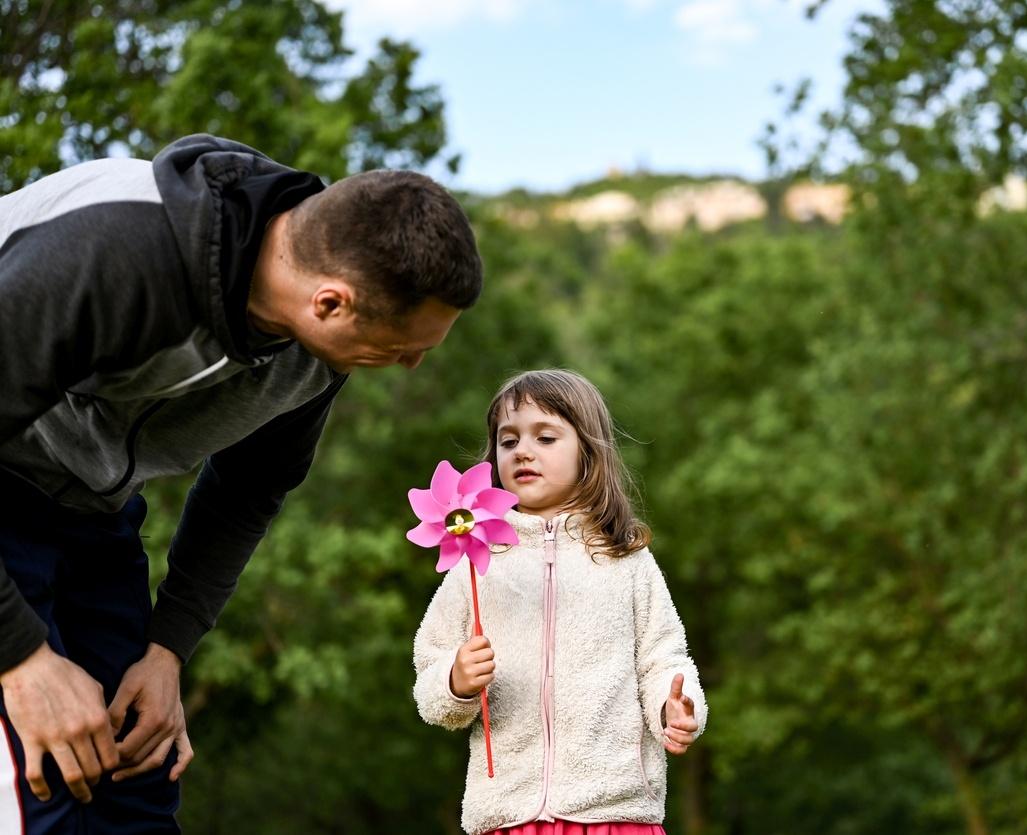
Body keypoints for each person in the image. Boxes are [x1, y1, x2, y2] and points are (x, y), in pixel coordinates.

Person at [0, 133, 482, 834]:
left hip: (93, 507)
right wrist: (20, 656)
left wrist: (166, 650)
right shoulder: (114, 250)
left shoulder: (315, 354)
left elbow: (247, 490)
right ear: (330, 302)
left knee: (138, 777)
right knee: (45, 781)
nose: (408, 365)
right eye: (404, 347)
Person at [413, 369, 706, 835]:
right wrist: (455, 680)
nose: (523, 451)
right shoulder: (475, 560)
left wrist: (677, 706)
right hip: (509, 813)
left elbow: (664, 659)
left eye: (545, 437)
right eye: (508, 441)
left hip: (613, 809)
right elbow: (430, 673)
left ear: (588, 453)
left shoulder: (624, 557)